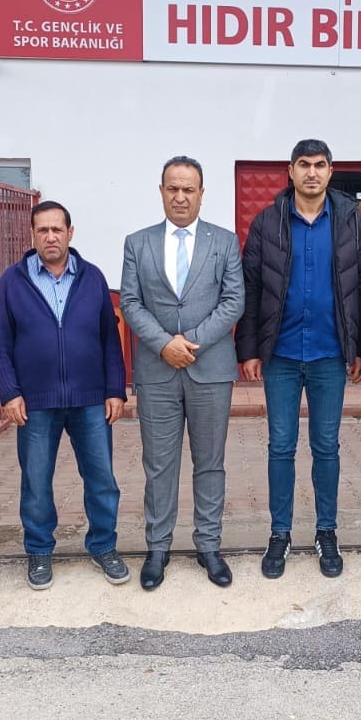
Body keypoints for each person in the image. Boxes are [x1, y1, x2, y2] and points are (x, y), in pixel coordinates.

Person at [235, 139, 361, 579]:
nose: (311, 172)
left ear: (331, 171)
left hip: (330, 354)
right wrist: (249, 348)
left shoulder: (351, 220)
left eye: (319, 165)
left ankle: (326, 531)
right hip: (281, 354)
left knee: (326, 445)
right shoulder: (267, 221)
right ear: (290, 171)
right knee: (281, 445)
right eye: (303, 164)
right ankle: (280, 533)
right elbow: (252, 287)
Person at [0, 200, 129, 590]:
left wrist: (115, 390)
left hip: (90, 399)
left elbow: (109, 338)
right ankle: (38, 551)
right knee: (36, 482)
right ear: (33, 235)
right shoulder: (13, 281)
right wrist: (9, 393)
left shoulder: (92, 277)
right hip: (35, 402)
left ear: (70, 233)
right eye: (43, 230)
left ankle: (104, 546)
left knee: (101, 479)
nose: (51, 236)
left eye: (57, 229)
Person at [120, 156, 244, 591]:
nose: (180, 197)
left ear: (201, 194)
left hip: (209, 369)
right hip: (157, 371)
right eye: (172, 188)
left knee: (210, 464)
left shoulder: (224, 242)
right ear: (161, 191)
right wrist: (163, 344)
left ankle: (208, 545)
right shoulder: (137, 243)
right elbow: (130, 302)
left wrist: (188, 341)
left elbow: (234, 301)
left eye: (188, 189)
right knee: (159, 465)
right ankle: (157, 548)